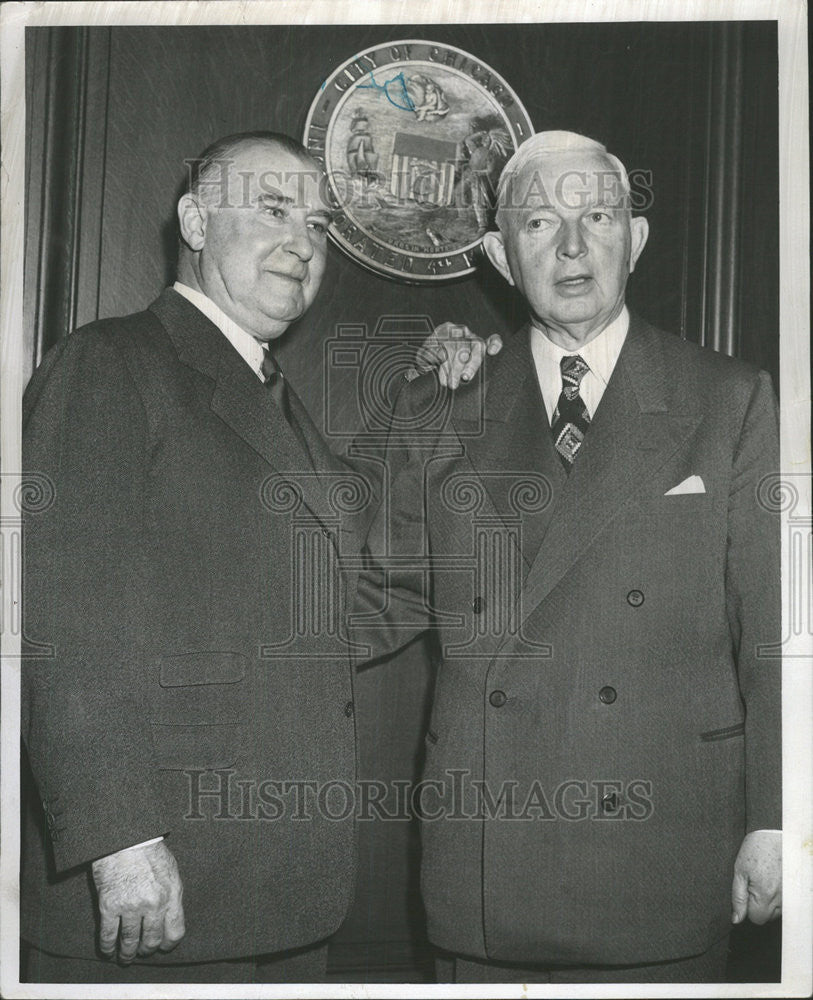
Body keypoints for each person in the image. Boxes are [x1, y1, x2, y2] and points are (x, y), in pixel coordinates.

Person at [20, 130, 479, 984]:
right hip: (155, 890)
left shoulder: (266, 394)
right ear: (196, 222)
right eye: (271, 211)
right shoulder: (110, 363)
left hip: (278, 895)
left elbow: (345, 574)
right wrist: (120, 839)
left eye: (316, 225)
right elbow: (64, 622)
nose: (302, 244)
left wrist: (423, 396)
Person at [355, 130, 782, 983]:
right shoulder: (446, 399)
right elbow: (381, 588)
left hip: (661, 855)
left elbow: (774, 633)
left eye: (598, 215)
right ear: (500, 258)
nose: (574, 246)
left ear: (638, 238)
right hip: (489, 859)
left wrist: (779, 821)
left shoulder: (729, 398)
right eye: (540, 223)